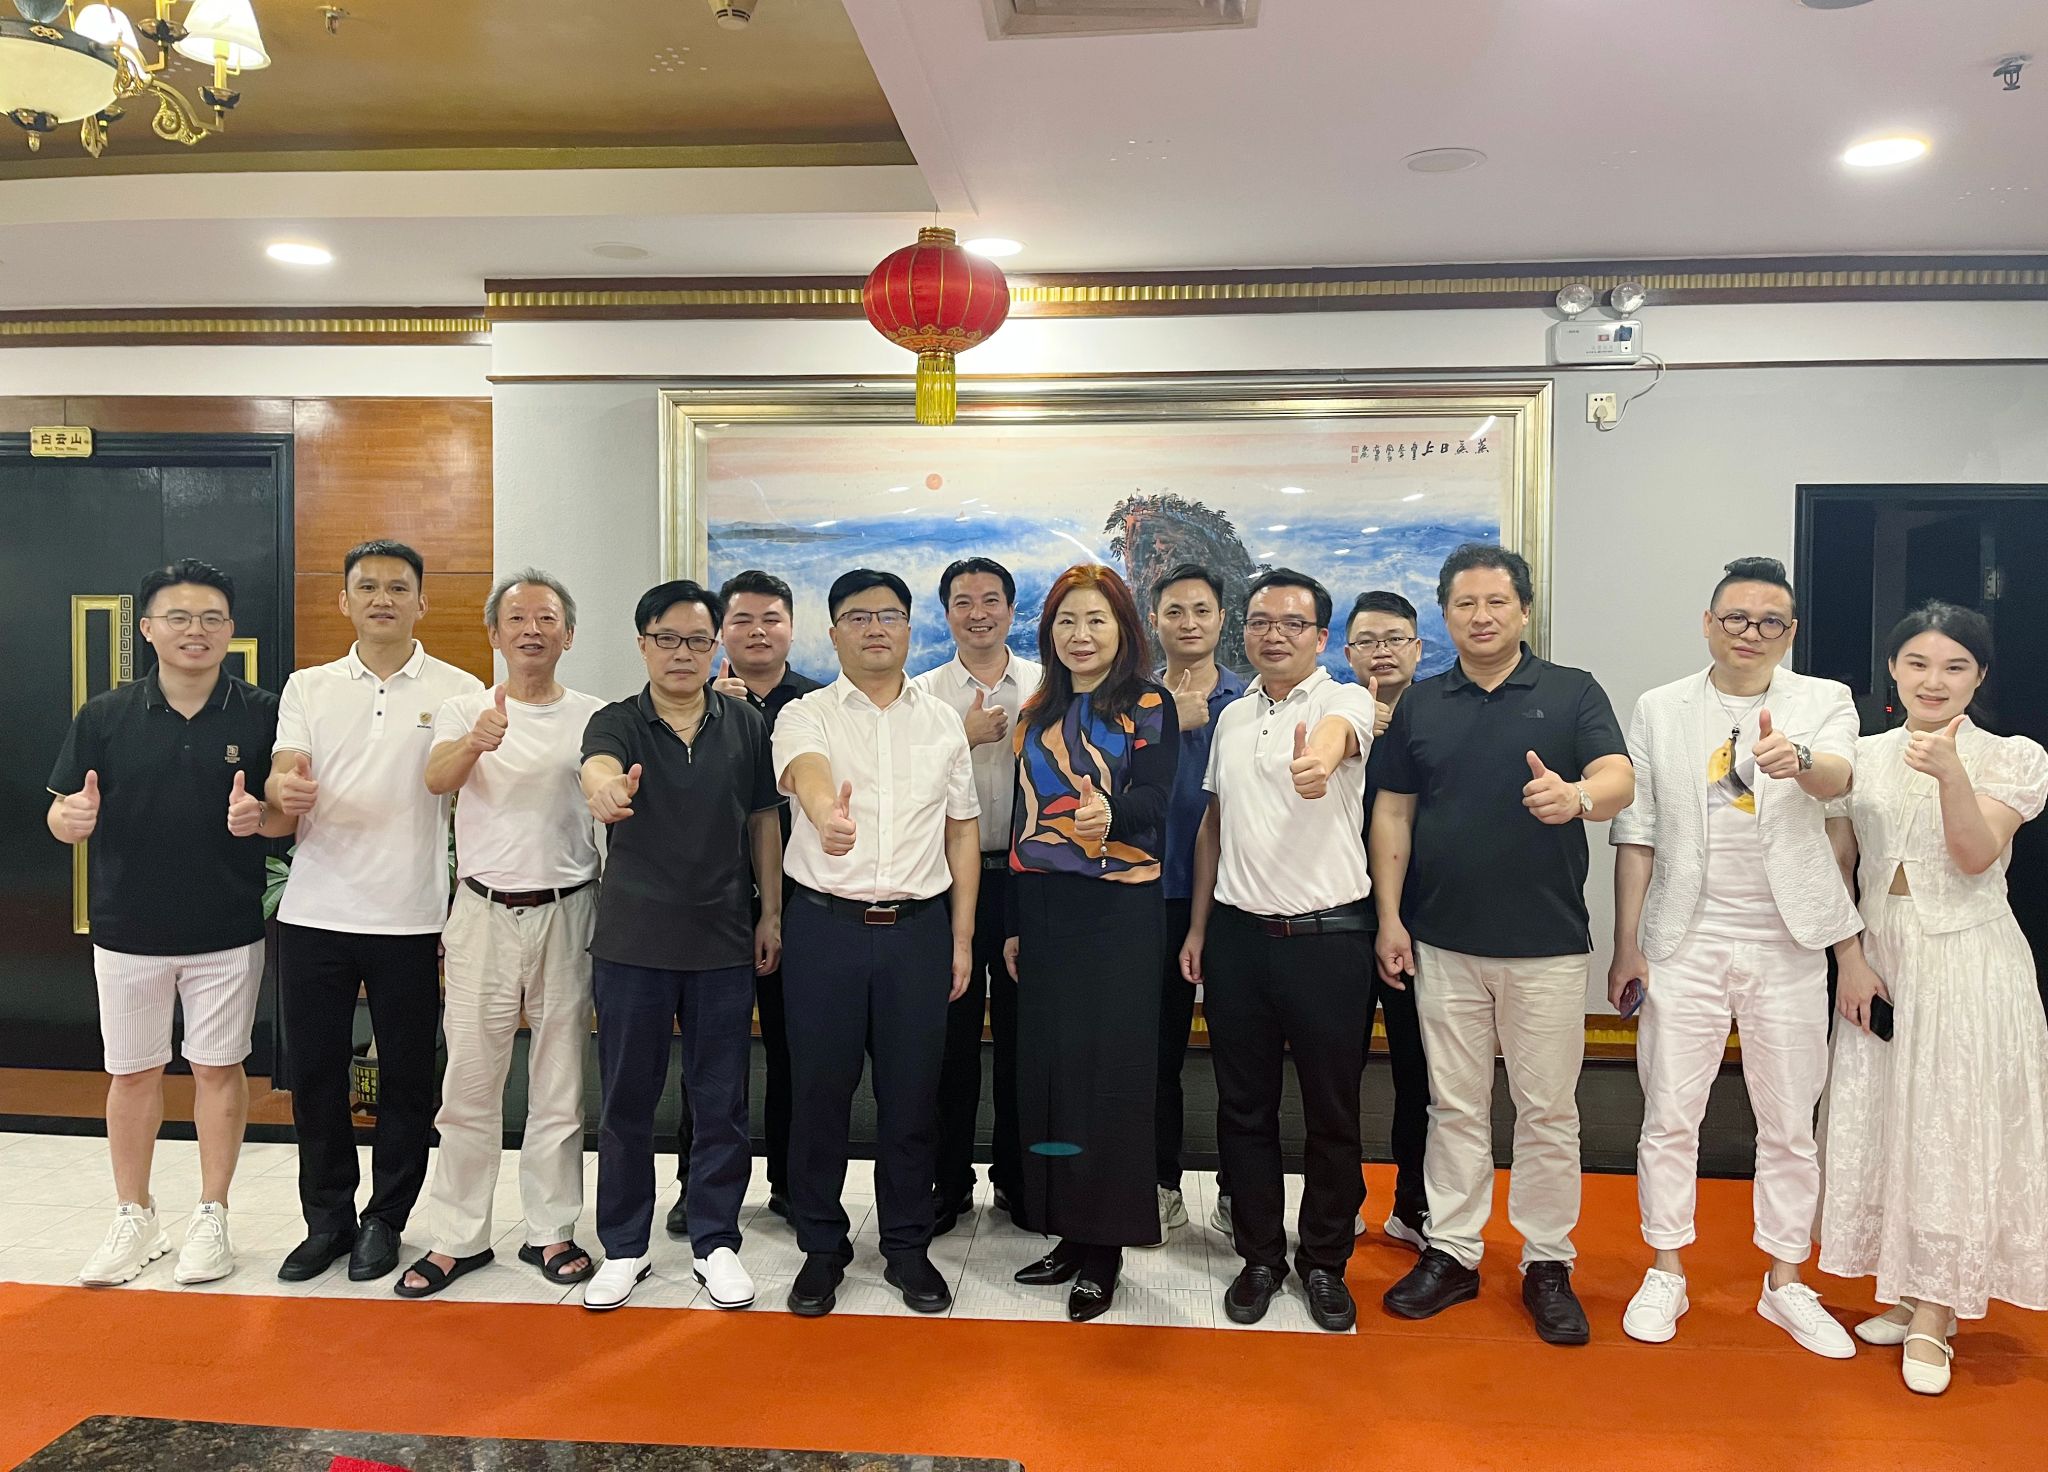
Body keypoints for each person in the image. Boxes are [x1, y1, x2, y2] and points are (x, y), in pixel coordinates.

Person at [1373, 543, 1633, 1346]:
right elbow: (1393, 813)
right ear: (1445, 615)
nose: (1481, 617)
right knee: (1453, 1105)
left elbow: (1619, 778)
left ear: (1523, 609)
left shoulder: (1571, 691)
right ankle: (1452, 1250)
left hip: (1545, 944)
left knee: (1547, 1110)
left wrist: (1576, 796)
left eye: (1496, 602)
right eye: (1465, 604)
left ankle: (1547, 1260)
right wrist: (1390, 917)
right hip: (1442, 941)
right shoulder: (1421, 703)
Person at [1607, 557, 1859, 1356]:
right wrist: (1627, 944)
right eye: (1737, 619)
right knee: (1669, 1114)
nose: (1752, 633)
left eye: (1770, 621)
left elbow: (1841, 782)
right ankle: (1666, 1268)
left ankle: (1785, 1280)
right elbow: (1637, 830)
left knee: (1789, 1122)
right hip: (1685, 937)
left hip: (1788, 939)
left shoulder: (1824, 700)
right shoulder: (1661, 706)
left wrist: (1801, 762)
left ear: (1790, 631)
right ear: (1709, 624)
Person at [1821, 601, 2048, 1396]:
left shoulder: (2013, 757)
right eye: (1917, 662)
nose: (1934, 680)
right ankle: (1910, 1287)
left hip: (1968, 962)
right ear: (1892, 669)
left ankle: (1936, 1313)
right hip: (1880, 959)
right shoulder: (1859, 756)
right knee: (1891, 1124)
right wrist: (1849, 959)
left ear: (1980, 676)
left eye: (1955, 666)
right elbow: (1836, 863)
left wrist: (1952, 772)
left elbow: (1975, 853)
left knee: (1951, 1128)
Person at [46, 559, 292, 1287]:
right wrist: (71, 819)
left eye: (211, 617)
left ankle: (212, 1214)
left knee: (220, 1069)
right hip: (128, 926)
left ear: (230, 629)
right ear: (148, 629)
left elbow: (285, 815)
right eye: (179, 617)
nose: (196, 630)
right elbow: (60, 812)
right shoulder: (104, 715)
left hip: (227, 926)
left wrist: (261, 817)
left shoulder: (264, 711)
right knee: (131, 1073)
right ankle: (135, 1214)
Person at [267, 540, 482, 1284]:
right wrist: (282, 791)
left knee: (407, 1081)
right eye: (367, 587)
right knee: (316, 1076)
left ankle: (387, 1219)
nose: (382, 599)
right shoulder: (308, 686)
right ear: (344, 601)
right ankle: (327, 1220)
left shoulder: (459, 689)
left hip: (412, 917)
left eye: (397, 587)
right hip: (315, 912)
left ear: (422, 601)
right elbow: (284, 770)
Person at [774, 569, 981, 1318]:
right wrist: (826, 814)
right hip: (824, 928)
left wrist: (962, 936)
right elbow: (806, 773)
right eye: (858, 617)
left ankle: (906, 1245)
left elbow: (963, 829)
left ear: (909, 629)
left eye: (889, 615)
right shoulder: (805, 713)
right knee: (819, 1094)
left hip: (918, 933)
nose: (875, 629)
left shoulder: (942, 721)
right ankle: (821, 1246)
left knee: (912, 1097)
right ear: (833, 633)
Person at [396, 570, 604, 1299]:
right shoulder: (464, 706)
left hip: (569, 908)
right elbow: (436, 781)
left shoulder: (595, 715)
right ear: (494, 634)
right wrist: (476, 742)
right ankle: (458, 1237)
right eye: (516, 619)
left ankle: (551, 1230)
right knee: (469, 1084)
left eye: (546, 619)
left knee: (560, 1083)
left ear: (568, 634)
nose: (531, 630)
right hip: (482, 911)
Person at [1180, 569, 1378, 1332]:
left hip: (1329, 940)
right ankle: (1259, 1255)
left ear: (1321, 637)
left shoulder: (1343, 700)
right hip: (1238, 939)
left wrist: (1317, 764)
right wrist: (1199, 929)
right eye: (1261, 621)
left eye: (1293, 624)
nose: (1274, 635)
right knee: (1243, 1107)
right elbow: (1214, 826)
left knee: (1332, 1110)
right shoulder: (1232, 716)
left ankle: (1325, 1261)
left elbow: (1335, 741)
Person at [576, 580, 783, 1312]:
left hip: (723, 939)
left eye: (698, 640)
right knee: (626, 1100)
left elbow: (763, 820)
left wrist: (771, 913)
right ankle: (624, 1247)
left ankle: (714, 1240)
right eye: (667, 638)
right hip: (633, 942)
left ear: (715, 646)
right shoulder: (617, 721)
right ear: (643, 644)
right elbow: (597, 768)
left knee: (721, 1100)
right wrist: (605, 790)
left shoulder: (745, 723)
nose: (683, 653)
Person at [1003, 565, 1179, 1321]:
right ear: (1050, 631)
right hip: (1045, 907)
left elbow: (1158, 799)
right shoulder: (1036, 708)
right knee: (1052, 1074)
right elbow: (1021, 817)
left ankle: (1105, 1247)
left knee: (1110, 1078)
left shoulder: (1147, 704)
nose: (1081, 635)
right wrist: (1015, 921)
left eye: (1096, 620)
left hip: (1119, 908)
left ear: (1123, 630)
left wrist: (1111, 813)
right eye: (1067, 621)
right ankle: (1068, 1229)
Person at [664, 569, 821, 1237]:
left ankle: (791, 1181)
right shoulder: (687, 705)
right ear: (721, 633)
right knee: (708, 1057)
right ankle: (695, 1185)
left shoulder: (818, 704)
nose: (758, 631)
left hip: (802, 901)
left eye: (771, 618)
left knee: (795, 1050)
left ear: (792, 628)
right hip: (713, 901)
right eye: (743, 620)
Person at [913, 557, 1041, 1235]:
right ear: (947, 613)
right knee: (948, 1043)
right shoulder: (922, 693)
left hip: (1030, 883)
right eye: (963, 602)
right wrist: (960, 738)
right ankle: (948, 1182)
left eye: (992, 600)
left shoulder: (1046, 687)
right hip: (946, 883)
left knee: (1027, 1041)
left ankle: (1020, 1180)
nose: (978, 613)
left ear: (1012, 611)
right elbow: (901, 784)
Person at [1148, 564, 1244, 1241]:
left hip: (1236, 898)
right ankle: (1160, 1184)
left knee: (1242, 1058)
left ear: (1221, 619)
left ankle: (1240, 1192)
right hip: (1153, 899)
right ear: (1154, 620)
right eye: (1175, 611)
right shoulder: (1132, 699)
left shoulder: (1250, 700)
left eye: (1202, 610)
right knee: (1158, 1057)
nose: (1188, 622)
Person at [1338, 589, 1432, 1250]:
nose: (1382, 651)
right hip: (1341, 918)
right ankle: (1337, 1201)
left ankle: (1414, 1204)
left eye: (1395, 638)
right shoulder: (1330, 714)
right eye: (1368, 641)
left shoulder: (1440, 714)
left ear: (1418, 648)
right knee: (1335, 1070)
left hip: (1421, 920)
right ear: (1348, 653)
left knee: (1419, 1072)